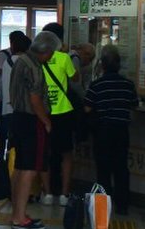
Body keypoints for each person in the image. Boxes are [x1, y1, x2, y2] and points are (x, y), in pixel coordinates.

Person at [6, 30, 59, 229]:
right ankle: (20, 218)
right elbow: (36, 99)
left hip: (17, 118)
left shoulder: (21, 61)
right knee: (29, 168)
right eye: (52, 52)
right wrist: (46, 121)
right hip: (31, 121)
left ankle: (16, 214)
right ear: (45, 51)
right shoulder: (34, 67)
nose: (52, 56)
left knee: (20, 167)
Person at [85, 45, 139, 215]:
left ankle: (103, 205)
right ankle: (122, 205)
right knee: (121, 168)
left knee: (103, 168)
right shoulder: (128, 84)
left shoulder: (96, 85)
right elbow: (134, 105)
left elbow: (87, 108)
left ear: (102, 65)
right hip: (122, 131)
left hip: (102, 131)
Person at [39, 21, 80, 205]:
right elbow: (75, 77)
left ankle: (47, 194)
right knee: (66, 154)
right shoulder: (64, 58)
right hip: (63, 111)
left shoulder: (37, 58)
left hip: (43, 112)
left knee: (44, 152)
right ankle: (64, 194)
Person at [0, 30, 29, 160]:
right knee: (4, 130)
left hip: (6, 99)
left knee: (6, 129)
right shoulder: (5, 55)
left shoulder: (8, 59)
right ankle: (4, 158)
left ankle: (6, 160)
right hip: (7, 99)